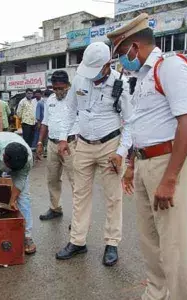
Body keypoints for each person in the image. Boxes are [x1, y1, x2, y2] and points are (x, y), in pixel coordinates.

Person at [108, 13, 187, 299]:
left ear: (135, 46)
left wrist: (169, 179)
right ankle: (157, 293)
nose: (122, 60)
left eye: (122, 52)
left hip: (166, 162)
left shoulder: (169, 67)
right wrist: (133, 163)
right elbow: (141, 124)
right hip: (146, 162)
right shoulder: (142, 77)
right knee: (149, 240)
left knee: (173, 244)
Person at [54, 42, 132, 267]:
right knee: (79, 195)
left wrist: (121, 152)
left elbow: (131, 122)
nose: (93, 76)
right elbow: (70, 110)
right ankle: (77, 241)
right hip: (83, 145)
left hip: (111, 147)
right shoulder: (80, 78)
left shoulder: (122, 84)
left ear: (108, 65)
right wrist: (62, 137)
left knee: (113, 197)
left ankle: (112, 243)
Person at [36, 71, 80, 221]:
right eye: (55, 88)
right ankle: (55, 208)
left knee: (76, 181)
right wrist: (40, 142)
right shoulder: (50, 100)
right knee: (52, 179)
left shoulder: (76, 100)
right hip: (53, 144)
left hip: (70, 145)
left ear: (68, 85)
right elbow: (45, 122)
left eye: (61, 88)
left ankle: (78, 217)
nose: (58, 91)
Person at [36, 90, 52, 158]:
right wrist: (39, 123)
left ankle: (47, 151)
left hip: (50, 123)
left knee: (48, 137)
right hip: (43, 123)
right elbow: (38, 114)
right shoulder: (40, 103)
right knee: (44, 138)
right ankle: (44, 151)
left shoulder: (51, 102)